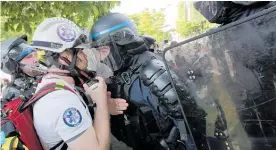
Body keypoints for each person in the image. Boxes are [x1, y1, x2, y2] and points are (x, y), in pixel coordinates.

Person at [90, 13, 205, 150]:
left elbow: (189, 121)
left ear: (123, 43)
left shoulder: (152, 71)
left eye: (104, 51)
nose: (101, 58)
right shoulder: (120, 74)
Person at [29, 17, 119, 150]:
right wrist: (101, 105)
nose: (85, 56)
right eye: (79, 51)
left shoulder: (54, 84)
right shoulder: (60, 101)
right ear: (63, 57)